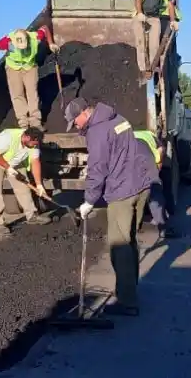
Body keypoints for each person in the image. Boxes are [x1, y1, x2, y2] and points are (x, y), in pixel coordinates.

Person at [67, 97, 157, 317]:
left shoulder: (98, 132)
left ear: (84, 113)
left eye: (75, 121)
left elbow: (97, 169)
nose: (75, 126)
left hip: (122, 192)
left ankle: (127, 302)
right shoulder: (117, 117)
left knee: (120, 245)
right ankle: (129, 289)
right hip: (141, 185)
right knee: (130, 240)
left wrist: (89, 201)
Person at [0, 25, 56, 128]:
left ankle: (35, 122)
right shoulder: (8, 41)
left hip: (29, 67)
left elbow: (45, 28)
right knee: (17, 93)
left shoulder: (35, 38)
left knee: (32, 92)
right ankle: (23, 122)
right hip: (13, 68)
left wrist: (51, 43)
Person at [0, 126, 52, 231]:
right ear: (27, 137)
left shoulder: (34, 144)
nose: (35, 146)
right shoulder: (8, 137)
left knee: (23, 187)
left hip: (15, 161)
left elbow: (35, 162)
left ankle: (31, 215)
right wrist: (8, 168)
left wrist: (39, 185)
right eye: (33, 143)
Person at [133, 129, 180, 239]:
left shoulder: (129, 134)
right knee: (154, 190)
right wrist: (156, 173)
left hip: (126, 156)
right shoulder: (154, 139)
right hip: (143, 154)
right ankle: (163, 228)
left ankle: (132, 227)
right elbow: (159, 154)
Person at [133, 0, 181, 71]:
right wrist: (140, 13)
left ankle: (151, 68)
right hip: (141, 15)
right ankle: (142, 68)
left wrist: (173, 21)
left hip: (154, 18)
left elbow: (170, 5)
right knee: (140, 42)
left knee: (154, 44)